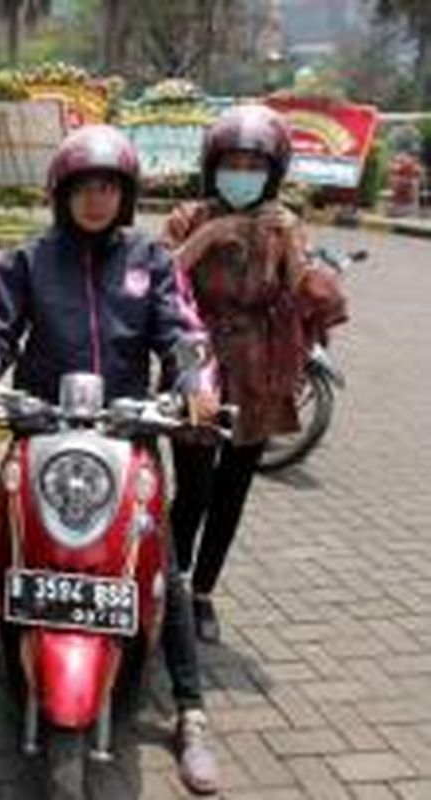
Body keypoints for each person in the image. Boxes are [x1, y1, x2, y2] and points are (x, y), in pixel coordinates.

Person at [0, 125, 222, 795]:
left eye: (109, 186)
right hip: (44, 430)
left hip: (128, 433)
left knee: (160, 560)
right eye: (84, 186)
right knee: (2, 534)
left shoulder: (151, 259)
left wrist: (193, 385)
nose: (97, 199)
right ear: (63, 194)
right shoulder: (29, 260)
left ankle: (191, 710)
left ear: (127, 195)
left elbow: (183, 332)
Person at [162, 104, 321, 644]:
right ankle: (168, 583)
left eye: (255, 165)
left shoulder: (282, 225)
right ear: (213, 165)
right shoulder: (187, 217)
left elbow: (309, 300)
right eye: (233, 163)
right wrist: (208, 238)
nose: (243, 174)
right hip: (198, 368)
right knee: (194, 489)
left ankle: (202, 594)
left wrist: (295, 248)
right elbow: (154, 284)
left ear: (273, 172)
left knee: (232, 491)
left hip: (258, 371)